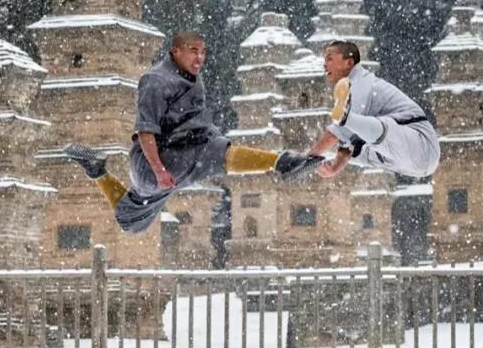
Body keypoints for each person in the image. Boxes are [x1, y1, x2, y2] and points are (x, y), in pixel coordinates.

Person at [64, 31, 323, 233]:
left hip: (185, 150)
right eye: (192, 51)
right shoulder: (155, 81)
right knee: (212, 155)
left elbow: (195, 120)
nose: (199, 58)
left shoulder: (193, 78)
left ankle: (96, 169)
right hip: (154, 163)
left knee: (131, 221)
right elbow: (145, 132)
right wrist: (158, 170)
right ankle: (283, 161)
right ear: (175, 51)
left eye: (203, 52)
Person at [308, 40, 440, 179]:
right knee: (358, 150)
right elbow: (346, 142)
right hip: (406, 165)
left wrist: (310, 157)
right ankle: (345, 119)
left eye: (329, 59)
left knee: (377, 129)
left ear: (349, 63)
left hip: (421, 144)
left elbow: (339, 132)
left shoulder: (361, 83)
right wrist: (335, 166)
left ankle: (345, 117)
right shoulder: (349, 88)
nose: (325, 64)